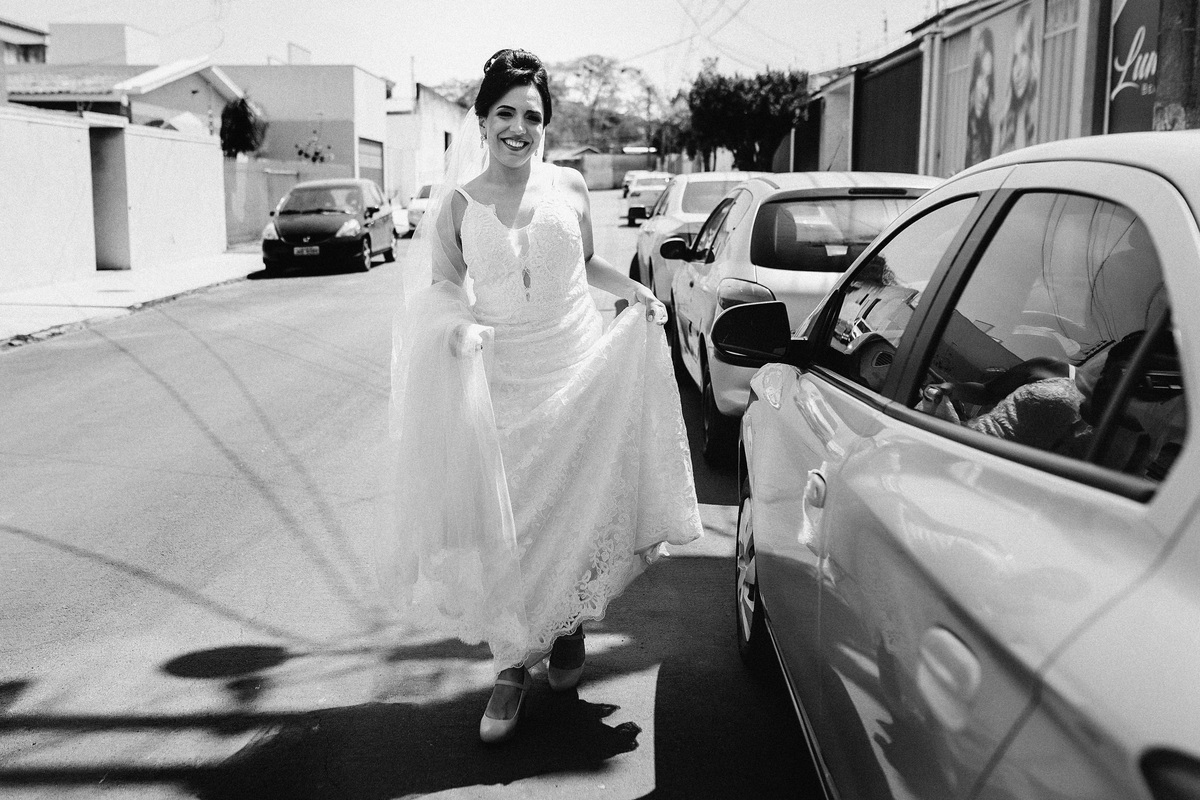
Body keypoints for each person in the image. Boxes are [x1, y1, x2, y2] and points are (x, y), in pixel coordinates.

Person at [380, 49, 704, 745]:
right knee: (511, 526)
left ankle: (567, 625)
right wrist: (458, 329)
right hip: (501, 381)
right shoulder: (459, 205)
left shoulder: (571, 187)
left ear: (545, 124)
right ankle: (509, 668)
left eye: (532, 116)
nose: (519, 128)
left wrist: (636, 293)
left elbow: (585, 263)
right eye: (505, 114)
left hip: (576, 369)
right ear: (482, 121)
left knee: (576, 507)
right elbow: (442, 289)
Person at [996, 3, 1038, 155]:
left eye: (1024, 51)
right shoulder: (1005, 123)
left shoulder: (1036, 121)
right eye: (1015, 57)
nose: (1017, 70)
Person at [965, 27, 995, 167]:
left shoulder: (988, 132)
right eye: (981, 76)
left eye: (988, 79)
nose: (984, 90)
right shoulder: (969, 132)